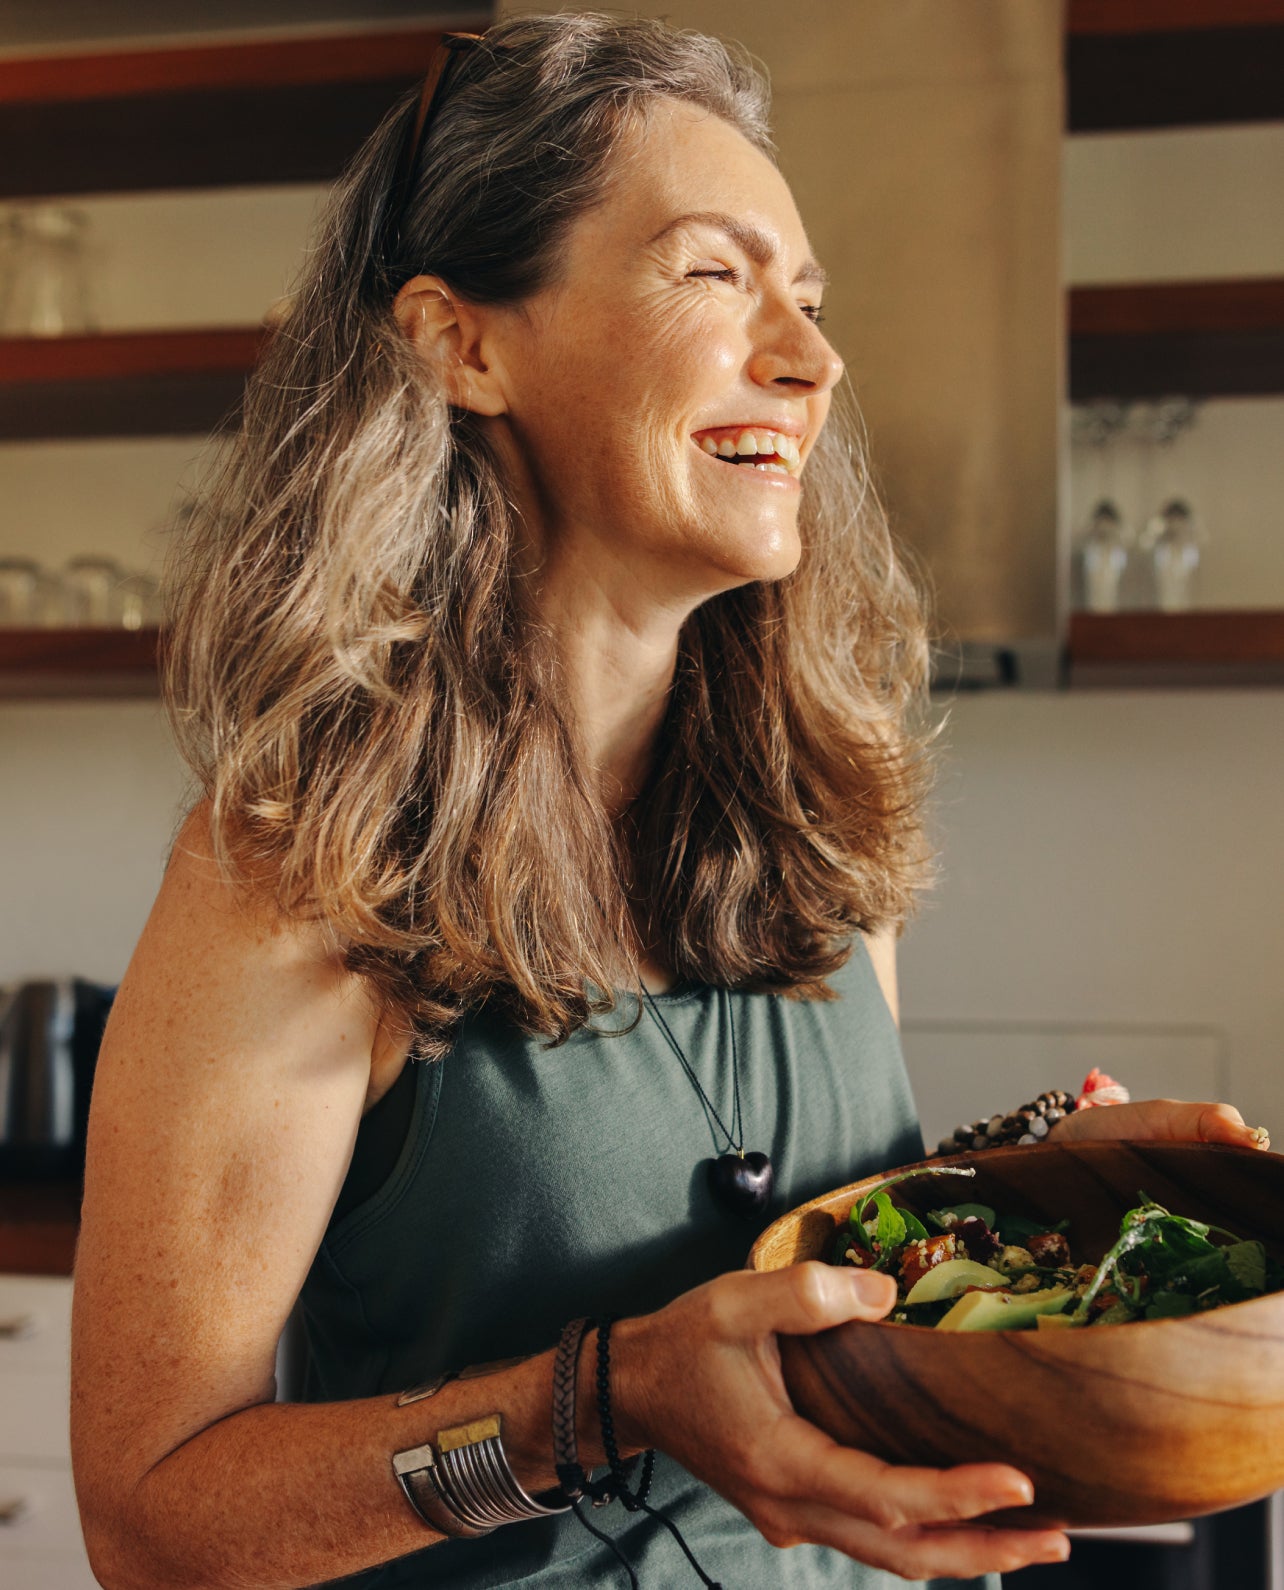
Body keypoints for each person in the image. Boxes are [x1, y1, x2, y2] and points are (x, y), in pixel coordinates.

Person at [69, 15, 1268, 1590]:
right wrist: (609, 1395)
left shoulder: (824, 815)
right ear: (464, 344)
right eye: (716, 273)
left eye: (813, 301)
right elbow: (154, 1519)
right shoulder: (304, 867)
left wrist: (1047, 1185)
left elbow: (821, 1258)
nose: (812, 355)